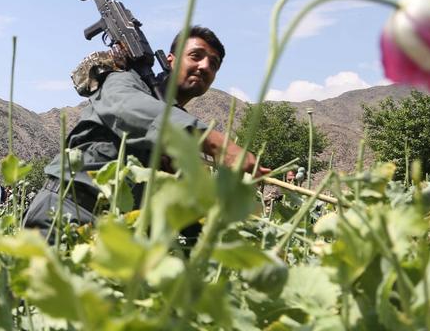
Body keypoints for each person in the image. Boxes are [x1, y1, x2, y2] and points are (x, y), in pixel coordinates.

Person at [23, 25, 268, 235]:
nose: (205, 66)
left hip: (111, 233)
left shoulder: (176, 125)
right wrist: (213, 142)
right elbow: (127, 107)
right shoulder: (126, 80)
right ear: (170, 59)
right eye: (196, 55)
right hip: (64, 212)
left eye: (213, 64)